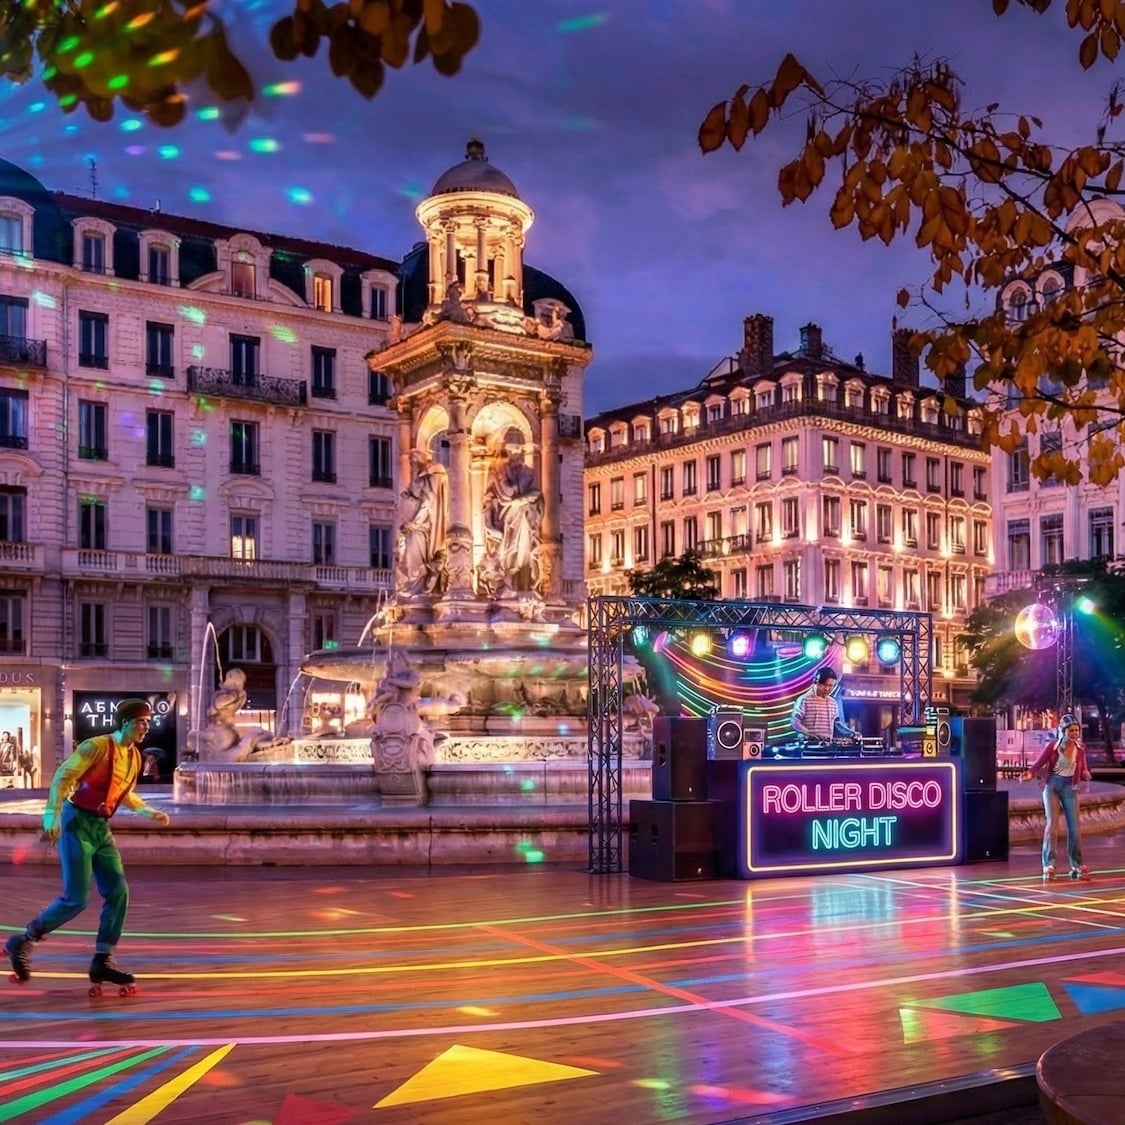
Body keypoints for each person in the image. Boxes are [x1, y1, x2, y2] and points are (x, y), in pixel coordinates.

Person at [4, 699, 171, 990]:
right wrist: (50, 816)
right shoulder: (96, 747)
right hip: (76, 823)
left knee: (119, 891)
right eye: (142, 721)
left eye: (148, 722)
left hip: (101, 829)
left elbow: (125, 794)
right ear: (126, 722)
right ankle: (24, 940)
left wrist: (148, 811)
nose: (147, 726)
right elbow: (62, 776)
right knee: (76, 899)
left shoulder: (135, 758)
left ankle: (102, 961)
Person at [1021, 714, 1092, 881]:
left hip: (1070, 788)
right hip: (1052, 786)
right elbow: (1038, 764)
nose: (1074, 733)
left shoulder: (1080, 749)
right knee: (1052, 825)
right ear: (1063, 730)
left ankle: (1077, 863)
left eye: (1076, 730)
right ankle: (1049, 864)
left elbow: (1083, 769)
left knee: (1074, 828)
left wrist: (1085, 774)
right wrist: (1029, 773)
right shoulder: (1053, 746)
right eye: (1071, 730)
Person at [482, 443, 542, 592]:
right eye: (512, 452)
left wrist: (519, 501)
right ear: (507, 452)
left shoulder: (528, 472)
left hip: (523, 515)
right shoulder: (498, 471)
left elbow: (536, 493)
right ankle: (507, 579)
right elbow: (489, 495)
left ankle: (519, 581)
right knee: (506, 546)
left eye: (518, 452)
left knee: (522, 546)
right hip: (505, 515)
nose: (515, 455)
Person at [397, 447, 449, 596]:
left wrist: (415, 522)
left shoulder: (425, 480)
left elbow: (427, 502)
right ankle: (415, 588)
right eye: (410, 461)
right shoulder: (422, 479)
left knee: (416, 561)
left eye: (413, 461)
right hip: (415, 529)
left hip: (419, 529)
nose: (412, 465)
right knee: (411, 559)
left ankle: (418, 588)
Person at [791, 667, 855, 741]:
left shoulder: (833, 702)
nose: (827, 689)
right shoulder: (804, 700)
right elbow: (795, 723)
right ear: (816, 682)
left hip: (827, 747)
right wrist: (810, 734)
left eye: (830, 686)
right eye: (824, 685)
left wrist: (851, 732)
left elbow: (837, 724)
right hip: (809, 746)